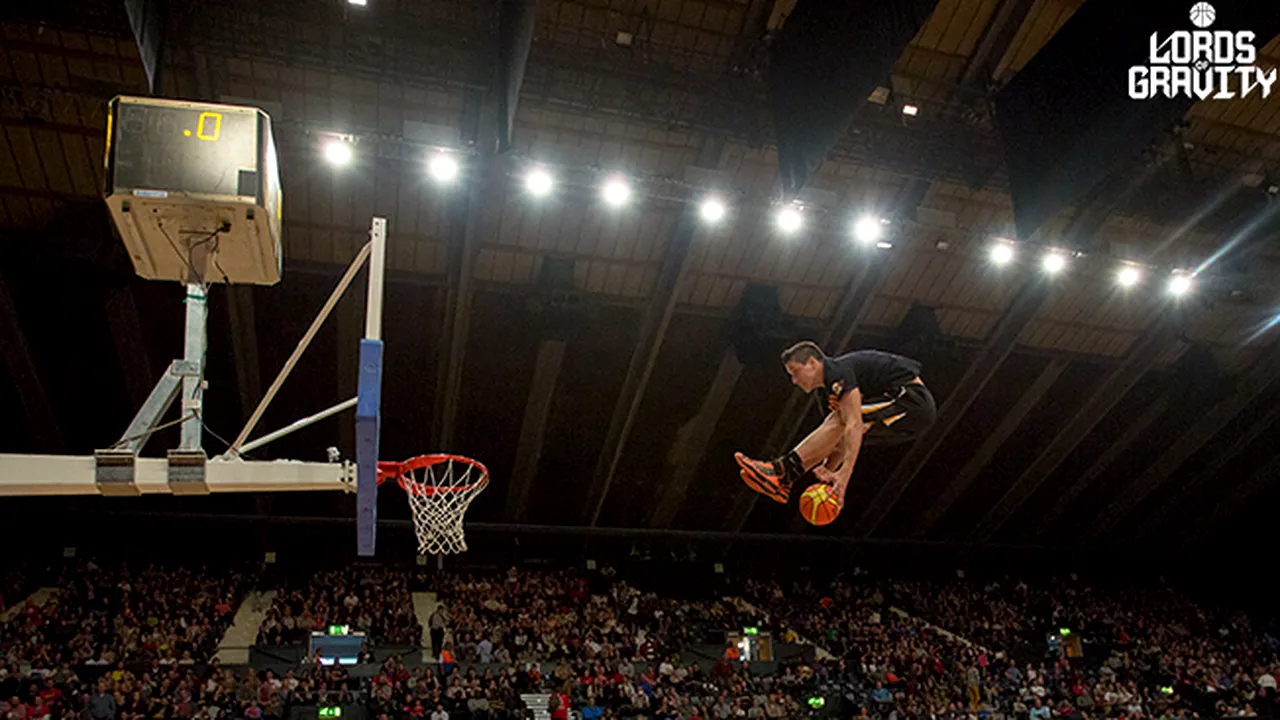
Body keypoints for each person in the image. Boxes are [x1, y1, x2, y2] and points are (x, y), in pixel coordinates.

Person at [735, 342, 936, 515]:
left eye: (795, 372)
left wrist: (844, 476)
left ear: (813, 363)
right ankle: (784, 481)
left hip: (912, 401)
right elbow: (840, 438)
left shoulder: (837, 370)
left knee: (844, 417)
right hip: (907, 417)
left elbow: (853, 424)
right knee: (840, 423)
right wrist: (827, 473)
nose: (794, 381)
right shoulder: (828, 393)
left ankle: (781, 472)